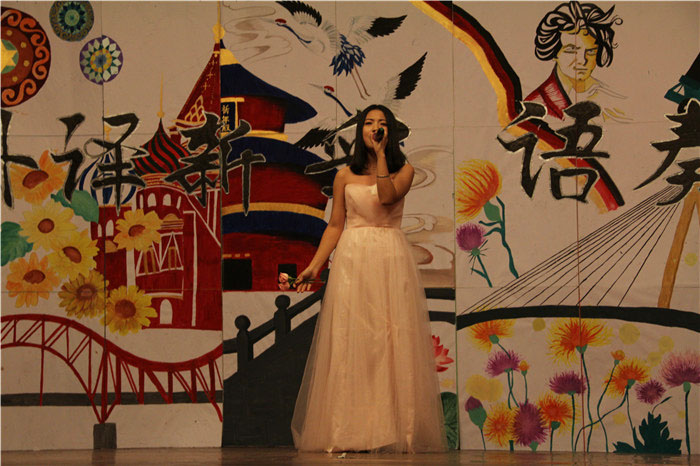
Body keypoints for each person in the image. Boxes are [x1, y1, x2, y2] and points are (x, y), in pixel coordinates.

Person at [290, 104, 447, 453]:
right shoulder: (344, 175)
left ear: (390, 132)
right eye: (369, 123)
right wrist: (315, 265)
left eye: (382, 123)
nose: (375, 127)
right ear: (360, 129)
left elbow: (387, 197)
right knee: (352, 340)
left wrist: (381, 156)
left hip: (389, 256)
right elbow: (336, 225)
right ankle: (348, 431)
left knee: (391, 340)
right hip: (352, 257)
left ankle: (396, 430)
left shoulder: (404, 170)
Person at [526, 1, 629, 122]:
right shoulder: (535, 106)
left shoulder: (613, 100)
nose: (582, 61)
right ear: (554, 53)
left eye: (591, 51)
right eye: (571, 50)